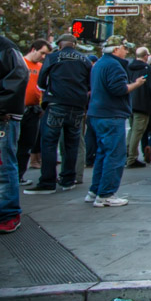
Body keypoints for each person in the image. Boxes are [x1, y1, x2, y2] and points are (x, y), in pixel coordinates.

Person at [25, 34, 92, 195]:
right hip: (77, 106)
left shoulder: (53, 57)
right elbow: (90, 84)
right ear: (74, 45)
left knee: (49, 142)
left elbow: (42, 82)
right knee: (72, 143)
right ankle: (68, 179)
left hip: (56, 104)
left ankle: (47, 181)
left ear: (60, 45)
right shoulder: (85, 60)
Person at [85, 36, 146, 207]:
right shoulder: (114, 65)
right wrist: (136, 84)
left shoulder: (99, 64)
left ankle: (95, 190)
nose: (126, 51)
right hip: (111, 115)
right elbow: (119, 89)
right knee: (114, 155)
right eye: (124, 48)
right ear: (116, 49)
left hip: (97, 114)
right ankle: (106, 194)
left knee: (103, 154)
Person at [0, 33, 30, 233]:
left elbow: (18, 77)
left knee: (3, 164)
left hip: (5, 116)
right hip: (6, 113)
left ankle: (9, 213)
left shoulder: (6, 48)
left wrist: (2, 108)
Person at [17, 39, 50, 185]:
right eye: (42, 53)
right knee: (12, 144)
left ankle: (19, 175)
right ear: (33, 49)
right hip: (18, 108)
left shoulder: (41, 67)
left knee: (27, 144)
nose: (43, 56)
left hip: (33, 109)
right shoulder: (21, 63)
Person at [126, 47, 151, 168]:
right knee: (138, 131)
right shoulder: (148, 70)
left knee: (132, 129)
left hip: (130, 103)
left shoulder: (128, 67)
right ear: (146, 56)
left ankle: (127, 153)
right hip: (142, 104)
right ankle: (131, 157)